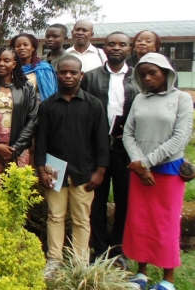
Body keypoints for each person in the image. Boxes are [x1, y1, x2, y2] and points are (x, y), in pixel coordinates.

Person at [122, 53, 193, 290]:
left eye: (153, 73)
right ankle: (141, 274)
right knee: (140, 221)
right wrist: (138, 162)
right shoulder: (140, 99)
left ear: (167, 73)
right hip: (139, 168)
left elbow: (180, 137)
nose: (148, 78)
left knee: (165, 223)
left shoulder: (182, 99)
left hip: (168, 170)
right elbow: (128, 133)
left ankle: (167, 279)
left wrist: (146, 163)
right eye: (143, 74)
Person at [35, 55, 109, 278]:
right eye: (63, 72)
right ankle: (54, 261)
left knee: (81, 219)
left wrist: (100, 170)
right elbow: (42, 140)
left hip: (84, 171)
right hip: (54, 171)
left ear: (81, 75)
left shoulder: (94, 105)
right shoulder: (48, 106)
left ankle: (79, 263)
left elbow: (102, 141)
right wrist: (41, 169)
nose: (68, 76)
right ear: (57, 74)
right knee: (55, 216)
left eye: (73, 72)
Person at [80, 32, 138, 267]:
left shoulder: (137, 78)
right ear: (104, 48)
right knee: (97, 201)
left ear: (129, 49)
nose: (116, 48)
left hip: (126, 149)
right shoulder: (91, 77)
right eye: (111, 44)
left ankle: (119, 250)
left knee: (125, 200)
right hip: (96, 148)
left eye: (121, 44)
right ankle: (100, 249)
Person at [0, 47, 38, 184]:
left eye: (6, 61)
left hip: (18, 149)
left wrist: (16, 148)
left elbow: (33, 118)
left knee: (17, 192)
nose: (1, 64)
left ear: (14, 64)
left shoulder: (27, 88)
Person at [12, 33, 58, 102]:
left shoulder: (44, 69)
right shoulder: (11, 69)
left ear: (33, 48)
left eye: (25, 45)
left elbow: (50, 94)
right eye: (18, 46)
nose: (21, 48)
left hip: (38, 109)